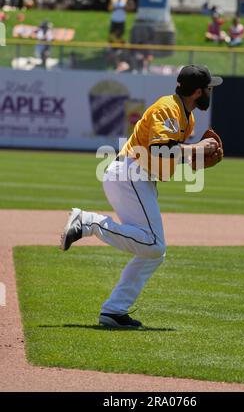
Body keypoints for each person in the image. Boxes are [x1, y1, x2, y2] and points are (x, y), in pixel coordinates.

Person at [60, 64, 224, 328]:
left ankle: (114, 311)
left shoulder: (186, 116)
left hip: (139, 177)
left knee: (154, 252)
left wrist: (195, 159)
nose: (209, 92)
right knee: (155, 245)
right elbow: (159, 150)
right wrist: (195, 148)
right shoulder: (167, 108)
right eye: (208, 88)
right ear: (197, 91)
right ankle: (88, 222)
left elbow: (170, 155)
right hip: (131, 173)